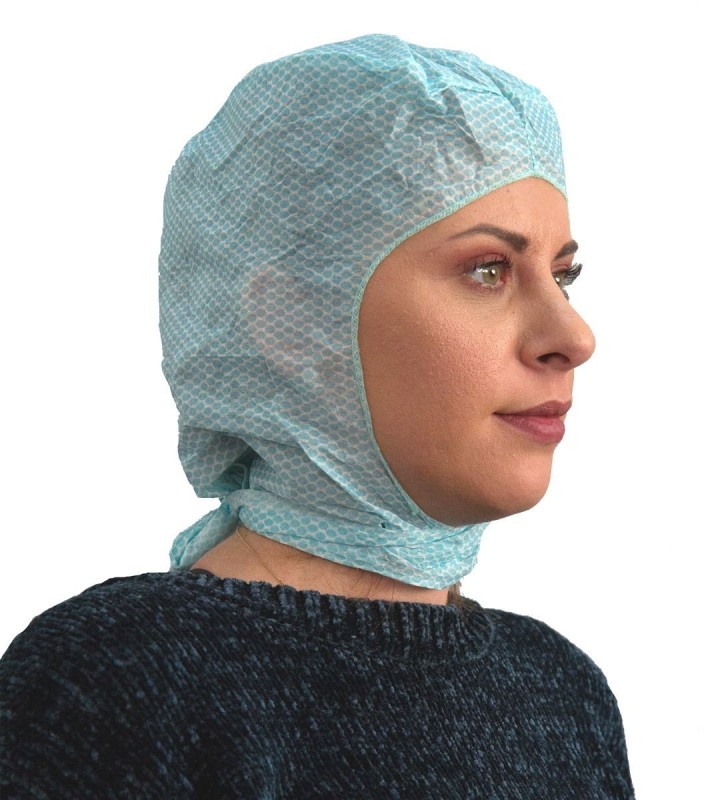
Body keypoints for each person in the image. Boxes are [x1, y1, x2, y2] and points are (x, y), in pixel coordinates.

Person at [1, 35, 635, 798]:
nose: (574, 336)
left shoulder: (561, 696)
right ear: (294, 322)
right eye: (487, 270)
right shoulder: (113, 683)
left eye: (564, 275)